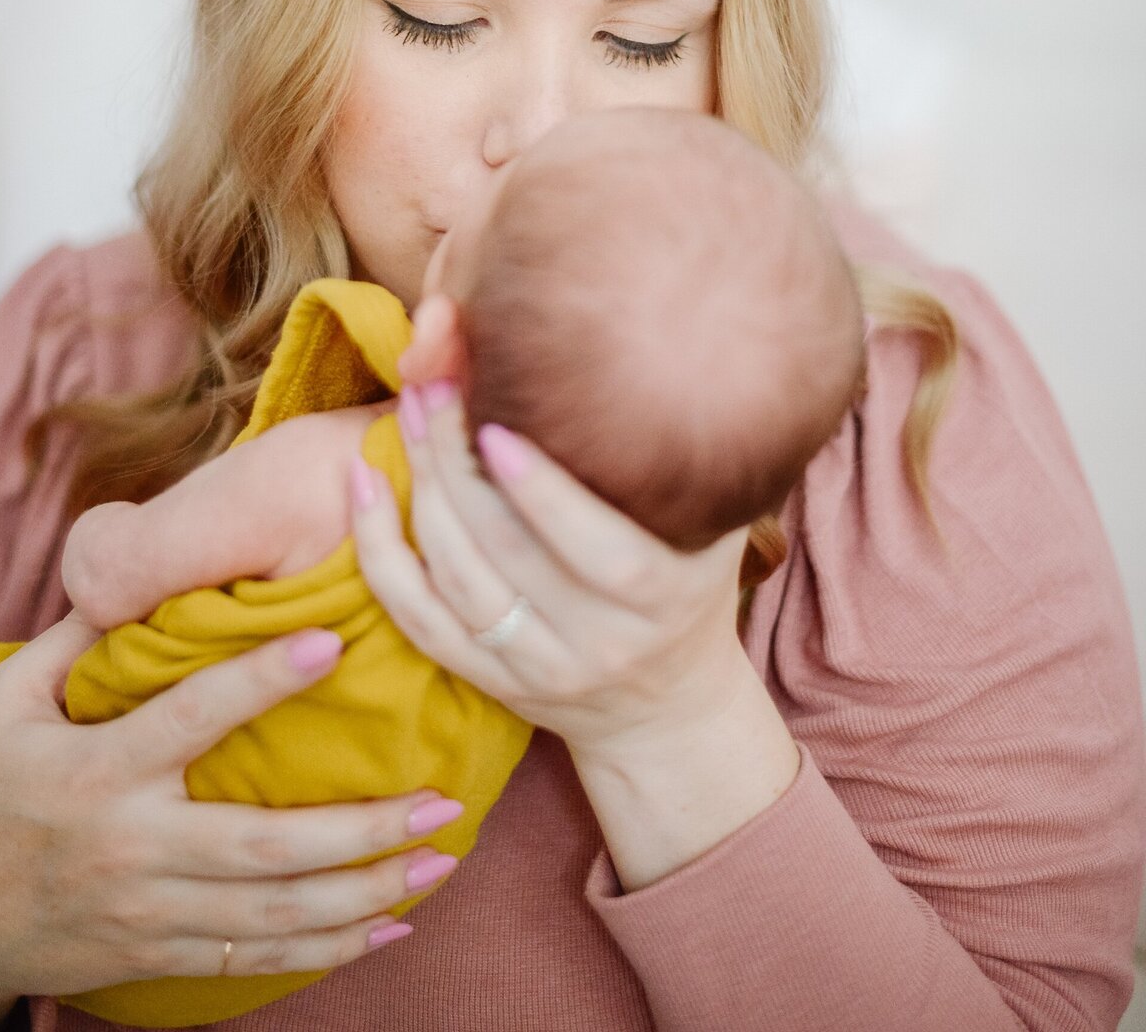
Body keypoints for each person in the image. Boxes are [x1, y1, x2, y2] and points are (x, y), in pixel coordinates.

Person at [0, 0, 1142, 1032]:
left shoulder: (896, 400)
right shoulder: (73, 346)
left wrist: (672, 721)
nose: (547, 133)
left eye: (646, 44)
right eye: (436, 19)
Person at [54, 105, 867, 1026]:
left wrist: (97, 533)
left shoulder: (338, 472)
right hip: (258, 958)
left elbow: (107, 578)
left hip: (105, 887)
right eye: (436, 18)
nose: (532, 121)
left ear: (435, 344)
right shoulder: (590, 608)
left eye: (643, 42)